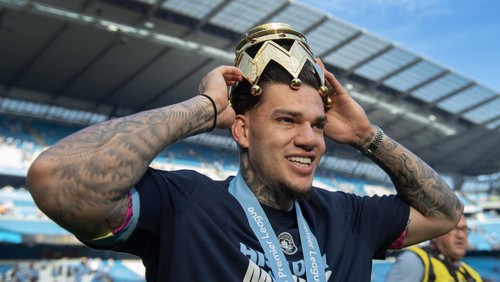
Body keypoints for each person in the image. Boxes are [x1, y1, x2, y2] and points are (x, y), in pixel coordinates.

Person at [27, 22, 463, 281]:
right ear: (242, 131)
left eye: (317, 124)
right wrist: (205, 108)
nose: (310, 139)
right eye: (287, 120)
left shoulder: (349, 217)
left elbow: (444, 213)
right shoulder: (184, 205)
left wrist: (369, 135)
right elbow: (54, 179)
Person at [386, 215, 482, 281]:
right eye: (454, 228)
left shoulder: (473, 275)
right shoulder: (415, 260)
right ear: (436, 232)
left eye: (464, 229)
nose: (460, 235)